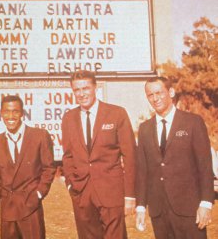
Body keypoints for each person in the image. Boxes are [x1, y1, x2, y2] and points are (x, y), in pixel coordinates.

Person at [135, 77, 215, 239]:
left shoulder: (193, 123)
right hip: (159, 211)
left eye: (158, 93)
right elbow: (142, 171)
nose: (155, 98)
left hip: (190, 209)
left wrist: (206, 203)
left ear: (171, 92)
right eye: (150, 95)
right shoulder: (144, 129)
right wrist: (141, 207)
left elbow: (205, 166)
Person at [61, 70, 136, 239]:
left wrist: (130, 195)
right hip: (82, 193)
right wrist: (71, 185)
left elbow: (130, 156)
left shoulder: (116, 113)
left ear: (95, 87)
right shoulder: (69, 118)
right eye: (77, 90)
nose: (81, 94)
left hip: (111, 192)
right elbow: (67, 156)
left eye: (85, 88)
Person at [0, 95, 56, 239]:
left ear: (22, 113)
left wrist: (38, 194)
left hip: (31, 207)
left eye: (15, 111)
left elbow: (49, 168)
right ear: (1, 113)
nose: (11, 116)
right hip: (8, 209)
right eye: (6, 111)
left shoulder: (39, 136)